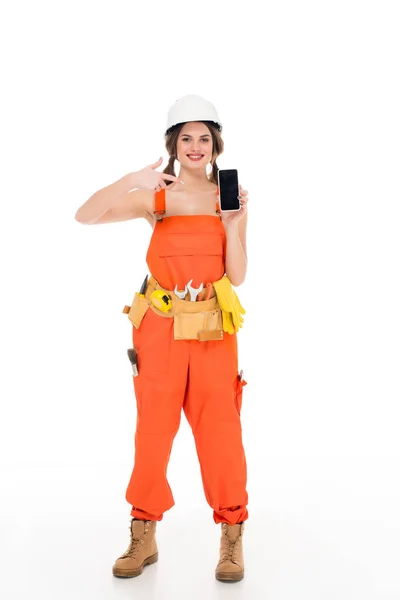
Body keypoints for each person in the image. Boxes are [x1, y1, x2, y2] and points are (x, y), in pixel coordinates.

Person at [75, 94, 249, 583]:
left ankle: (232, 534)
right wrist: (132, 179)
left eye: (205, 138)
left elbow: (236, 275)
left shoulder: (228, 197)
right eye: (187, 138)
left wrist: (232, 226)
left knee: (220, 432)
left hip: (214, 330)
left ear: (216, 144)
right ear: (173, 144)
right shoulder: (158, 196)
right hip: (159, 328)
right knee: (153, 431)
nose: (196, 146)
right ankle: (143, 530)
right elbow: (84, 216)